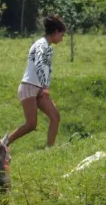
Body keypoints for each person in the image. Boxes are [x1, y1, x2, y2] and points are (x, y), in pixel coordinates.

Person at [8, 14, 66, 148]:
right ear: (56, 32)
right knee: (31, 124)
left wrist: (45, 88)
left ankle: (49, 149)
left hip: (40, 89)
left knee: (55, 116)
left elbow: (47, 70)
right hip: (29, 87)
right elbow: (39, 63)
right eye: (62, 35)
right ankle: (3, 143)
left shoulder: (49, 49)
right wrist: (44, 85)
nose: (62, 39)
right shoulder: (41, 44)